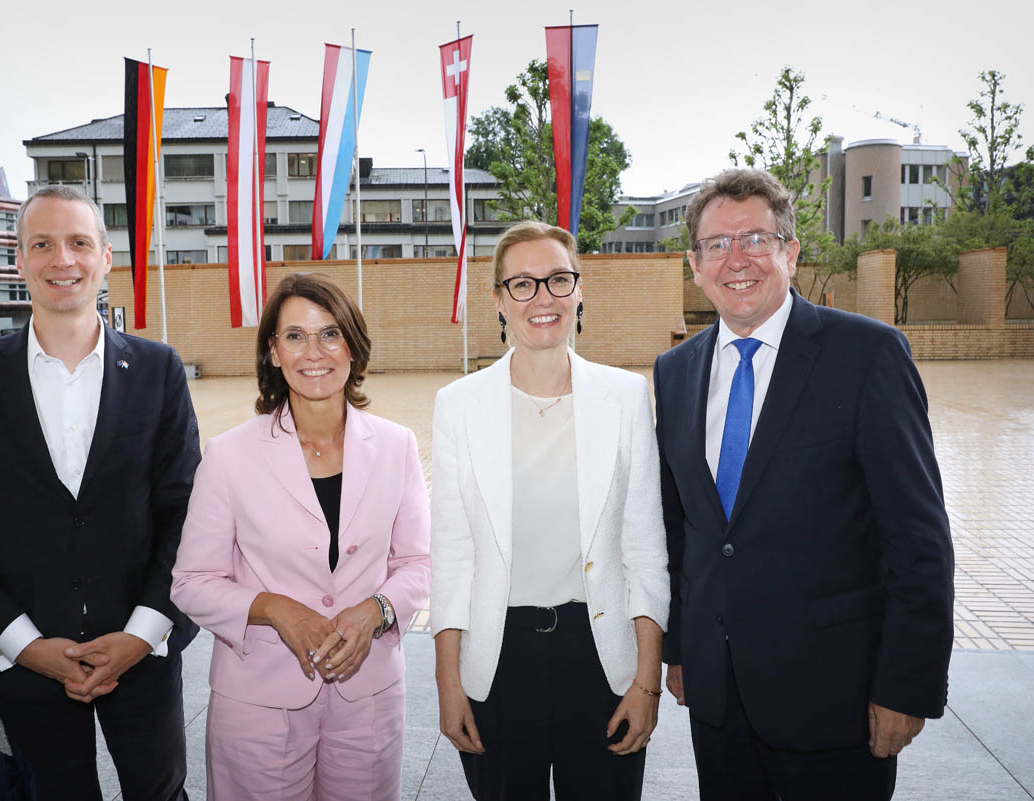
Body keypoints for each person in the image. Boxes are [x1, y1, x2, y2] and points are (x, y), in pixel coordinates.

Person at [654, 168, 955, 800]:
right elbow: (682, 529)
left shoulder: (868, 355)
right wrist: (680, 648)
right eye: (717, 245)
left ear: (790, 252)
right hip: (720, 699)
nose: (737, 260)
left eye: (756, 240)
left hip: (836, 701)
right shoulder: (675, 371)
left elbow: (919, 541)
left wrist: (905, 686)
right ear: (694, 263)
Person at [0, 185, 200, 801]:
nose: (61, 259)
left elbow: (185, 516)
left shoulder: (159, 370)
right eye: (42, 244)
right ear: (19, 260)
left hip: (141, 651)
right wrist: (25, 645)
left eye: (78, 242)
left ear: (105, 257)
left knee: (159, 793)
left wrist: (143, 633)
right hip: (28, 659)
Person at [430, 220, 669, 800]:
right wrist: (448, 683)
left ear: (579, 290)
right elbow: (452, 556)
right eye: (523, 284)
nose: (543, 298)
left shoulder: (626, 396)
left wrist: (646, 682)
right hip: (498, 660)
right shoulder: (458, 405)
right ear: (498, 300)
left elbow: (644, 549)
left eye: (559, 280)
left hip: (601, 656)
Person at [170, 272, 430, 801]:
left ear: (353, 347)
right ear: (272, 351)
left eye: (330, 333)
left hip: (369, 698)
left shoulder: (397, 446)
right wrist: (273, 608)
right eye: (295, 335)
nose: (314, 351)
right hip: (259, 702)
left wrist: (376, 610)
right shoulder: (230, 455)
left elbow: (420, 563)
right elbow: (191, 582)